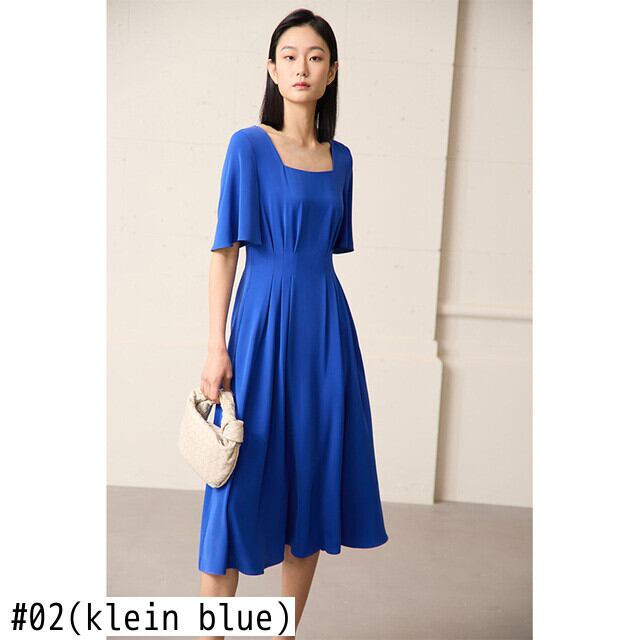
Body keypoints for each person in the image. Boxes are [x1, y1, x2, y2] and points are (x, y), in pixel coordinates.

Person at [197, 9, 388, 640]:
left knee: (310, 488)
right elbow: (225, 252)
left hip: (325, 336)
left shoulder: (342, 160)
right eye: (289, 56)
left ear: (332, 72)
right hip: (259, 329)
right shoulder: (248, 146)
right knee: (234, 491)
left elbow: (326, 251)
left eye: (315, 56)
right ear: (272, 70)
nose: (301, 67)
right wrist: (216, 347)